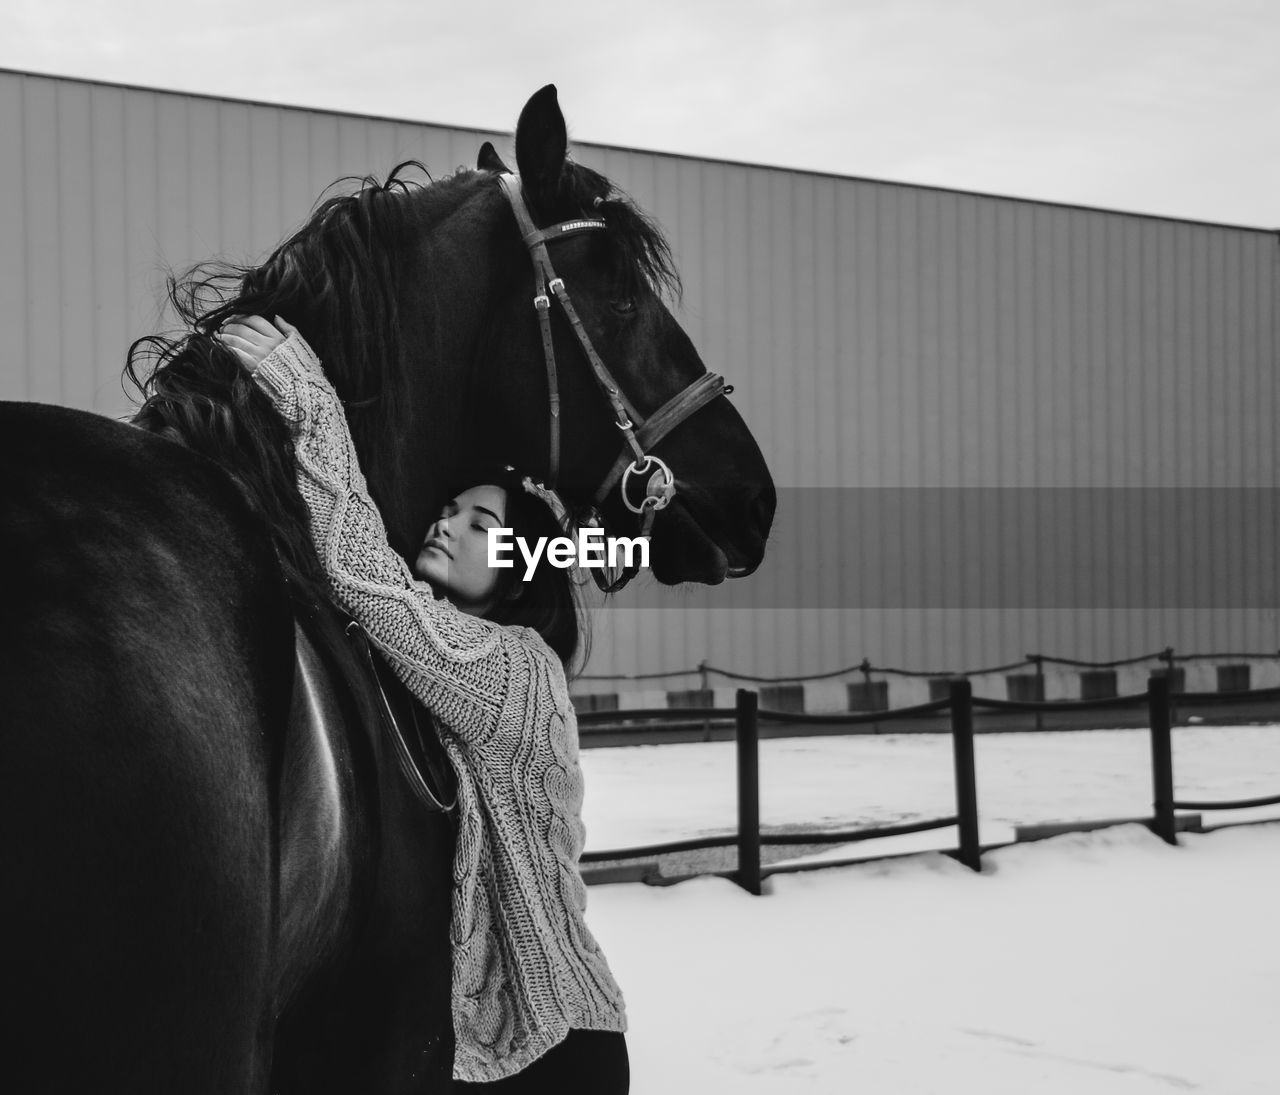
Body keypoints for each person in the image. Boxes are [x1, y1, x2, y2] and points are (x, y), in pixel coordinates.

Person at [218, 316, 629, 1093]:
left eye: (481, 524)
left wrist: (309, 400)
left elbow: (369, 583)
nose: (448, 523)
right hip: (505, 1047)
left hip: (558, 1046)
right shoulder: (456, 671)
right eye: (450, 510)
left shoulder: (516, 673)